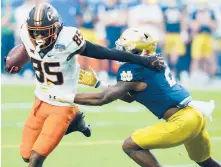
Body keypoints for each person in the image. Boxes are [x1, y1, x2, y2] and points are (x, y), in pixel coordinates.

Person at [4, 3, 165, 167]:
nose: (39, 37)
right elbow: (27, 49)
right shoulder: (25, 32)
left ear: (56, 28)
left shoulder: (69, 39)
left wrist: (144, 60)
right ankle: (75, 122)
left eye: (44, 32)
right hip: (40, 99)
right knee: (26, 155)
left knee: (36, 158)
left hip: (62, 103)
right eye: (35, 32)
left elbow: (105, 53)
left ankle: (70, 117)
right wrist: (19, 61)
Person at [45, 28, 221, 167]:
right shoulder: (152, 61)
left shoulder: (134, 69)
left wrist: (64, 96)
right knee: (206, 162)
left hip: (183, 121)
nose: (120, 51)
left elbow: (102, 99)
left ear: (138, 52)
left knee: (129, 145)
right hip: (195, 114)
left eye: (125, 48)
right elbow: (129, 96)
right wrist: (99, 84)